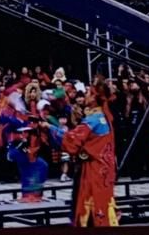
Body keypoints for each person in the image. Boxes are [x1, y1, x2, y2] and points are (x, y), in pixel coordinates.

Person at [60, 80, 119, 227]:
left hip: (92, 170)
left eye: (88, 93)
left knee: (89, 203)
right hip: (104, 169)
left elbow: (71, 142)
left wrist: (53, 129)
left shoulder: (92, 120)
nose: (85, 95)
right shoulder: (105, 117)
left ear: (94, 98)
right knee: (104, 201)